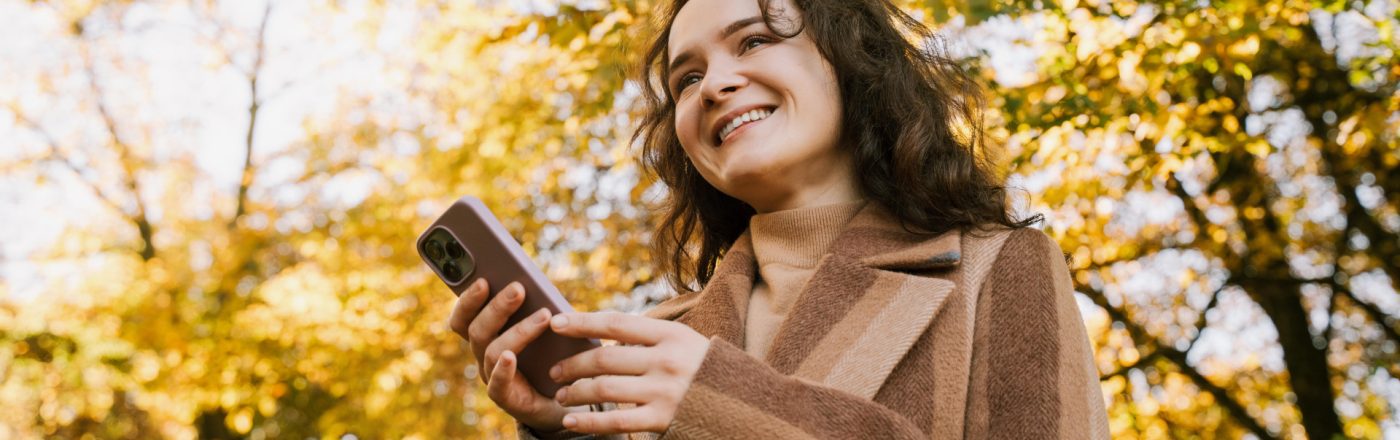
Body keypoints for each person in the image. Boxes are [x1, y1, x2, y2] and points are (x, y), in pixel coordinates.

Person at [446, 0, 1110, 437]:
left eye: (755, 40)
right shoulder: (657, 339)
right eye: (686, 79)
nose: (713, 85)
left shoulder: (1000, 266)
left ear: (851, 59)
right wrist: (562, 429)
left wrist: (723, 403)